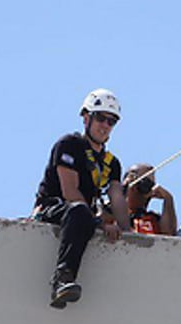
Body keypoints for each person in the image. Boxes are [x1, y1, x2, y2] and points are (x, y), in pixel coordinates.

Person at [33, 88, 129, 308]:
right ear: (86, 118)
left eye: (111, 121)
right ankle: (62, 279)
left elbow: (117, 197)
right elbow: (69, 192)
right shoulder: (69, 145)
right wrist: (99, 222)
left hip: (81, 214)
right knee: (79, 210)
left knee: (82, 212)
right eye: (101, 118)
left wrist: (127, 231)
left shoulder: (110, 162)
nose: (105, 125)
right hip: (53, 208)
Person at [115, 163, 177, 236]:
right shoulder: (112, 212)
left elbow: (169, 234)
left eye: (151, 185)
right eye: (145, 182)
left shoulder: (152, 219)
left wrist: (168, 198)